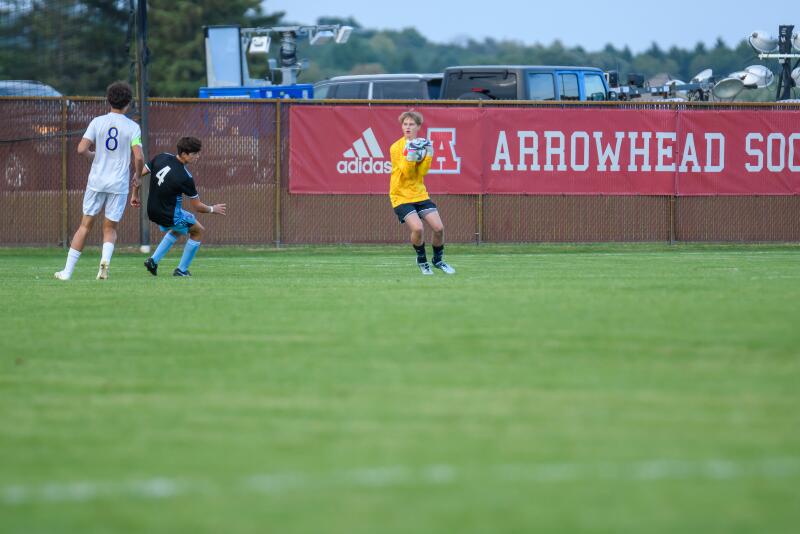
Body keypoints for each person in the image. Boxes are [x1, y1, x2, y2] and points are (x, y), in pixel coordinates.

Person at [54, 81, 144, 280]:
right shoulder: (133, 127)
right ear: (128, 103)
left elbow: (81, 149)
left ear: (108, 100)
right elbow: (139, 157)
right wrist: (138, 176)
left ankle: (67, 272)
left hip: (96, 181)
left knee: (85, 226)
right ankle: (104, 263)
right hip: (118, 184)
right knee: (110, 228)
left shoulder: (97, 122)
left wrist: (93, 156)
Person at [138, 137, 226, 277]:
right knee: (198, 231)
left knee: (179, 228)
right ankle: (181, 270)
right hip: (169, 214)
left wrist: (134, 194)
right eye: (194, 154)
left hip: (152, 210)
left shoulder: (162, 157)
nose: (197, 156)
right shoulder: (185, 177)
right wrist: (212, 209)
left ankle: (153, 261)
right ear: (184, 154)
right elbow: (197, 206)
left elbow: (139, 174)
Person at [389, 110, 455, 275]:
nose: (408, 127)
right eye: (405, 124)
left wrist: (428, 155)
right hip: (400, 195)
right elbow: (407, 172)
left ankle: (438, 260)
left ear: (418, 127)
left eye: (411, 124)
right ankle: (422, 260)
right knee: (418, 229)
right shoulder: (396, 147)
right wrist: (411, 155)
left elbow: (422, 172)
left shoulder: (422, 144)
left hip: (419, 194)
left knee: (439, 228)